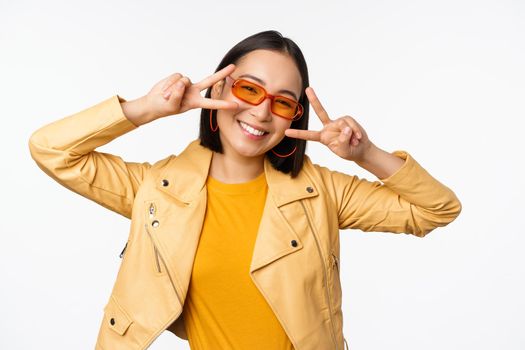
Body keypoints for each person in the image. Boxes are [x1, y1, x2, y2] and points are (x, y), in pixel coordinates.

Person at [28, 30, 462, 350]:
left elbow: (437, 210)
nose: (261, 111)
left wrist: (365, 152)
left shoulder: (321, 192)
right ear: (218, 90)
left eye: (282, 101)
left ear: (294, 117)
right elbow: (51, 150)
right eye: (249, 89)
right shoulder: (155, 191)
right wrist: (147, 109)